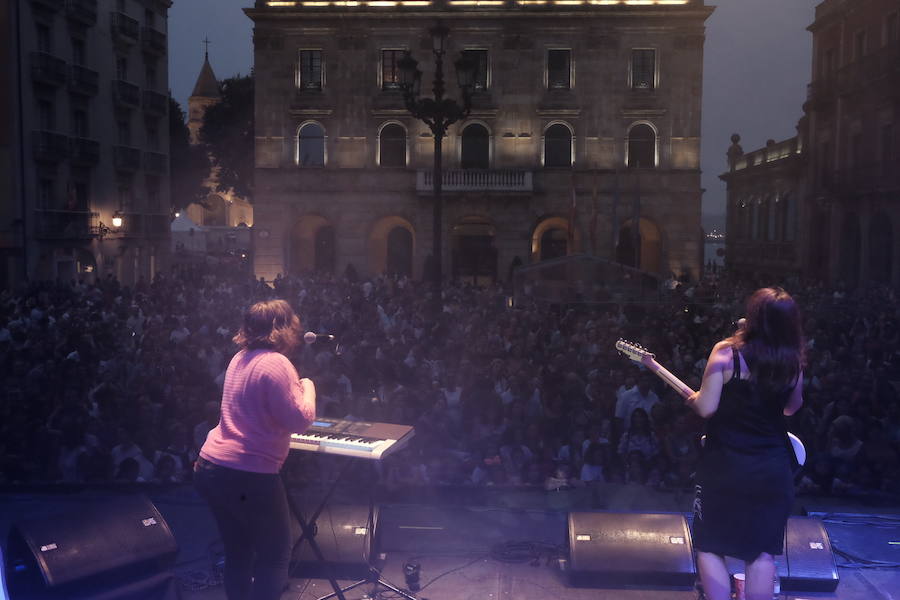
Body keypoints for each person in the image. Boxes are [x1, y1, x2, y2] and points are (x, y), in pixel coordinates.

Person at [686, 287, 804, 600]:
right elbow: (791, 408)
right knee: (762, 553)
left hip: (725, 466)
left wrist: (694, 398)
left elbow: (706, 408)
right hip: (771, 469)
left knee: (710, 545)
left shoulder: (726, 352)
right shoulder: (791, 360)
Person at [194, 299, 316, 600]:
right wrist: (309, 386)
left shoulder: (240, 357)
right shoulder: (276, 363)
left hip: (211, 466)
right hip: (249, 473)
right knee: (274, 555)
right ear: (284, 327)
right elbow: (300, 420)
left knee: (239, 550)